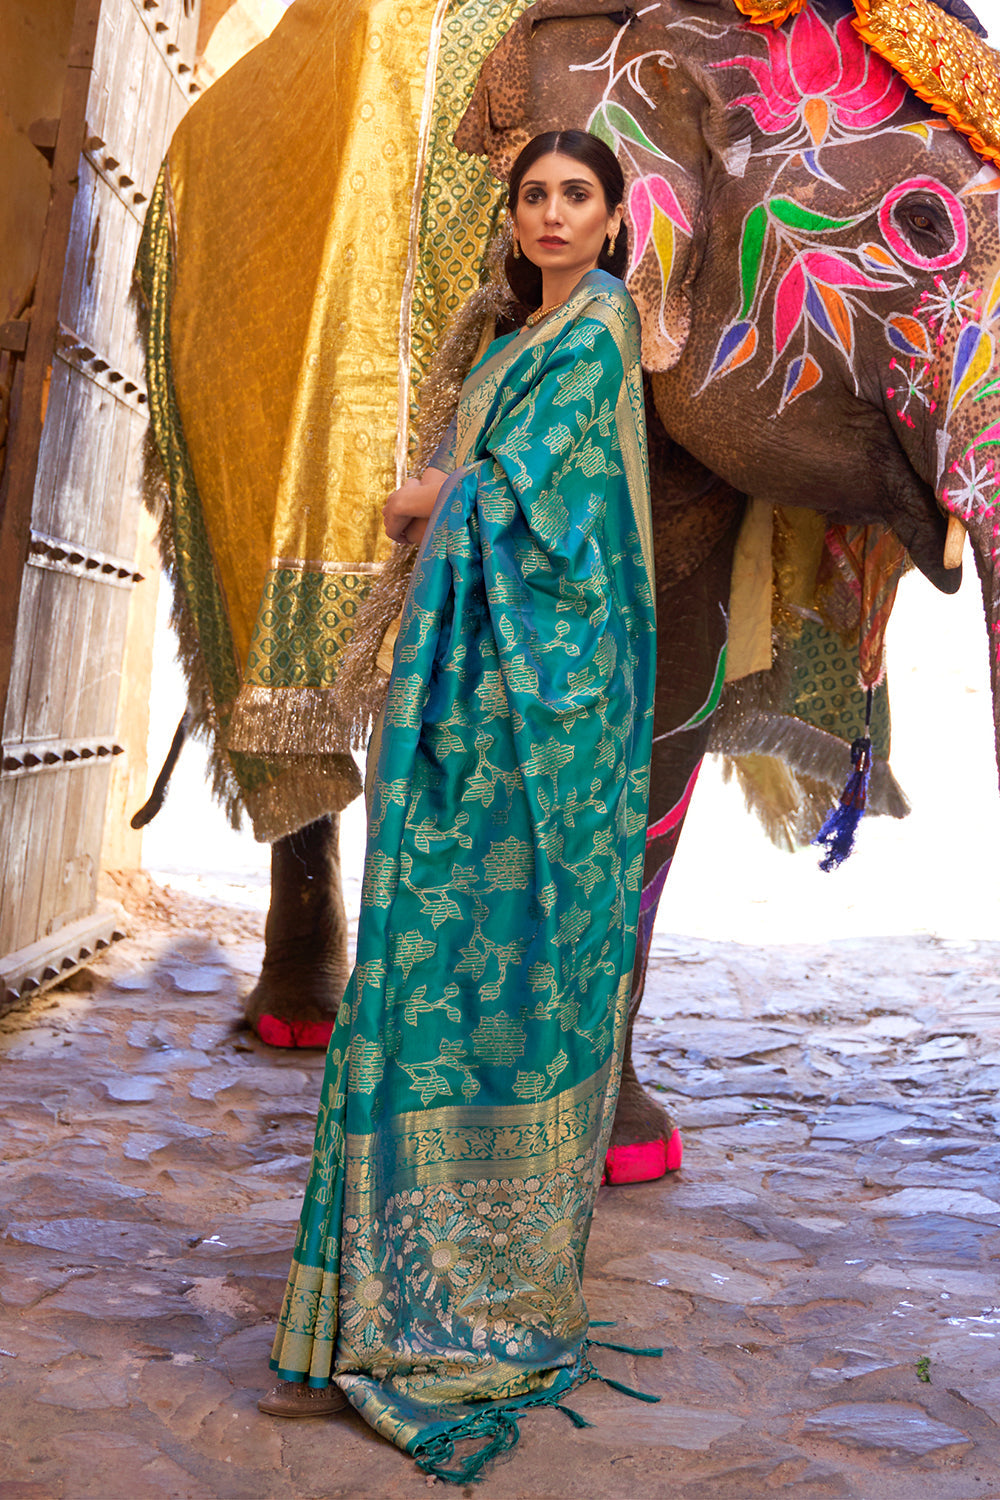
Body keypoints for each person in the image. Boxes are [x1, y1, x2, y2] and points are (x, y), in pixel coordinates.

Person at [257, 129, 657, 1484]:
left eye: (577, 197)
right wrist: (445, 501)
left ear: (613, 221)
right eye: (534, 195)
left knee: (464, 980)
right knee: (412, 979)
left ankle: (465, 1308)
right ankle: (372, 1306)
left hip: (520, 722)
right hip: (471, 700)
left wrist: (433, 495)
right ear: (515, 213)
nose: (553, 215)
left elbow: (553, 524)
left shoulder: (595, 336)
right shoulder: (517, 337)